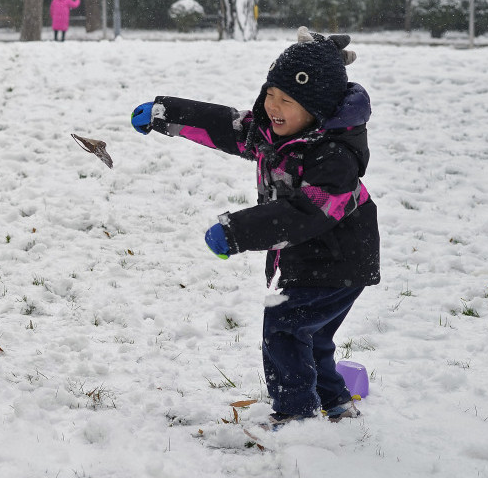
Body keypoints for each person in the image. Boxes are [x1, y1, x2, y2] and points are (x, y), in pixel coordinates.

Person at [130, 27, 378, 428]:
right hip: (316, 257)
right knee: (309, 337)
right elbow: (228, 127)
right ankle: (334, 404)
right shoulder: (276, 131)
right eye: (270, 94)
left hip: (337, 261)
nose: (273, 106)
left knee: (284, 330)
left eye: (287, 100)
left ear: (317, 108)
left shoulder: (336, 156)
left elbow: (307, 212)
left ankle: (296, 416)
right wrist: (167, 112)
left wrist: (239, 230)